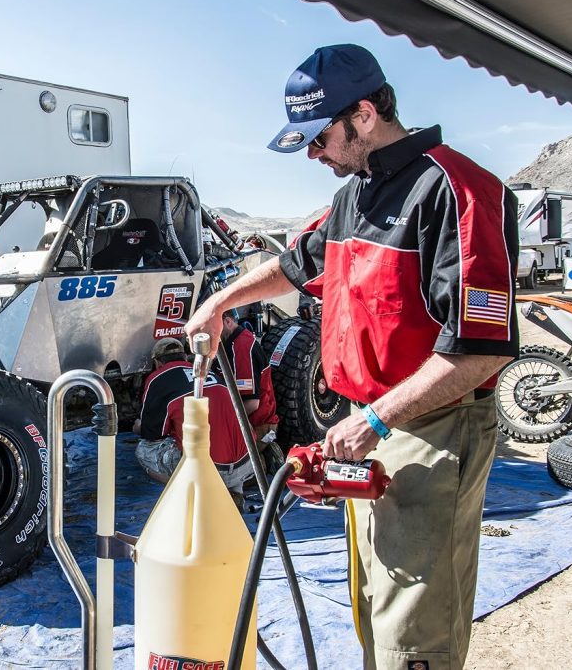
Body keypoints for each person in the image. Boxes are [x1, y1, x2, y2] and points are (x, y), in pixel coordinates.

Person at [185, 44, 518, 670]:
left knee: (411, 635)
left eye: (320, 138)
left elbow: (479, 351)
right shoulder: (354, 196)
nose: (315, 154)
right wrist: (219, 305)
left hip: (431, 427)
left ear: (364, 114)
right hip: (371, 422)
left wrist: (375, 421)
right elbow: (291, 266)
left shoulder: (457, 192)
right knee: (372, 611)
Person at [133, 337, 254, 499]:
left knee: (144, 449)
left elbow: (153, 433)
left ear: (158, 364)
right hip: (248, 464)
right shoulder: (209, 372)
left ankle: (191, 493)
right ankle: (234, 492)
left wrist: (138, 426)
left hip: (209, 471)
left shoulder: (157, 378)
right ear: (185, 358)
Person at [219, 310, 278, 440]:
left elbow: (251, 403)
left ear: (228, 321)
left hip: (257, 425)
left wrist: (221, 423)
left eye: (213, 327)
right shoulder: (230, 343)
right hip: (249, 421)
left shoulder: (241, 349)